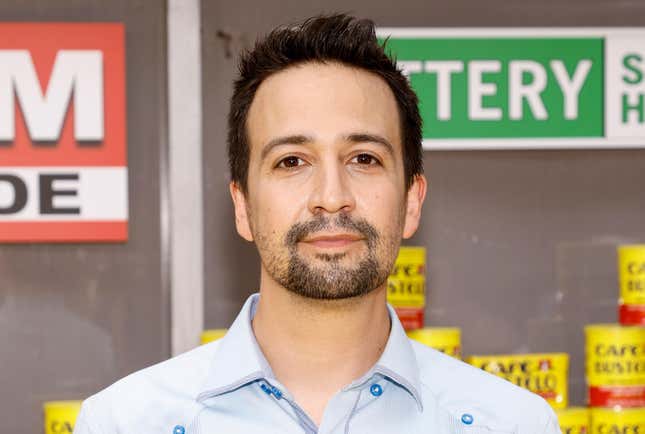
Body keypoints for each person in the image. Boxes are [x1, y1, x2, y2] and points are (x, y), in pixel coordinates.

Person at [74, 14, 560, 434]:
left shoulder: (513, 423)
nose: (332, 198)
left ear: (412, 202)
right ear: (242, 207)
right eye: (291, 161)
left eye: (364, 158)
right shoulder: (124, 422)